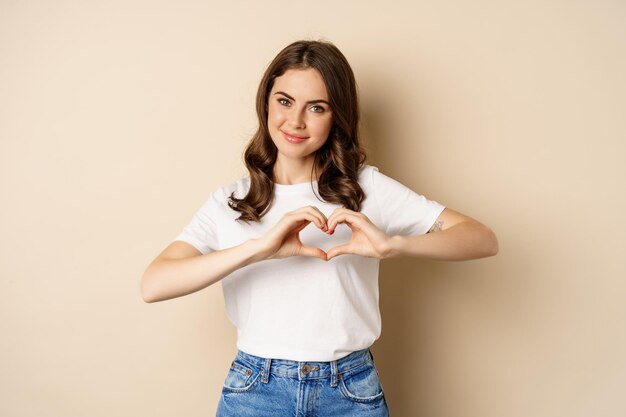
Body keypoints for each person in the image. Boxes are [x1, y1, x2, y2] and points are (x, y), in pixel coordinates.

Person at [141, 39, 498, 417]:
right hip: (254, 390)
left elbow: (482, 239)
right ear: (265, 102)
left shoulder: (366, 188)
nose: (295, 121)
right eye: (284, 101)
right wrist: (258, 249)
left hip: (349, 390)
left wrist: (392, 245)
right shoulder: (231, 200)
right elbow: (154, 284)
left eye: (316, 107)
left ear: (337, 116)